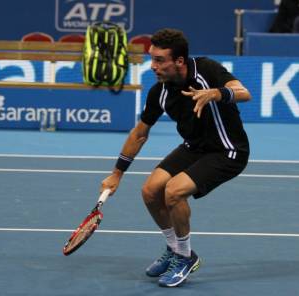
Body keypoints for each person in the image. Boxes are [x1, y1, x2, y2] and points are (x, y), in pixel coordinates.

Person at [100, 28, 251, 288]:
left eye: (159, 60)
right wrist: (117, 173)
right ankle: (175, 248)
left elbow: (243, 92)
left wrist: (216, 93)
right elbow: (140, 133)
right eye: (152, 59)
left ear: (179, 61)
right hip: (193, 147)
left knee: (173, 192)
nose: (153, 66)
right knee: (150, 191)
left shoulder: (206, 70)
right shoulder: (159, 91)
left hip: (227, 151)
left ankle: (185, 257)